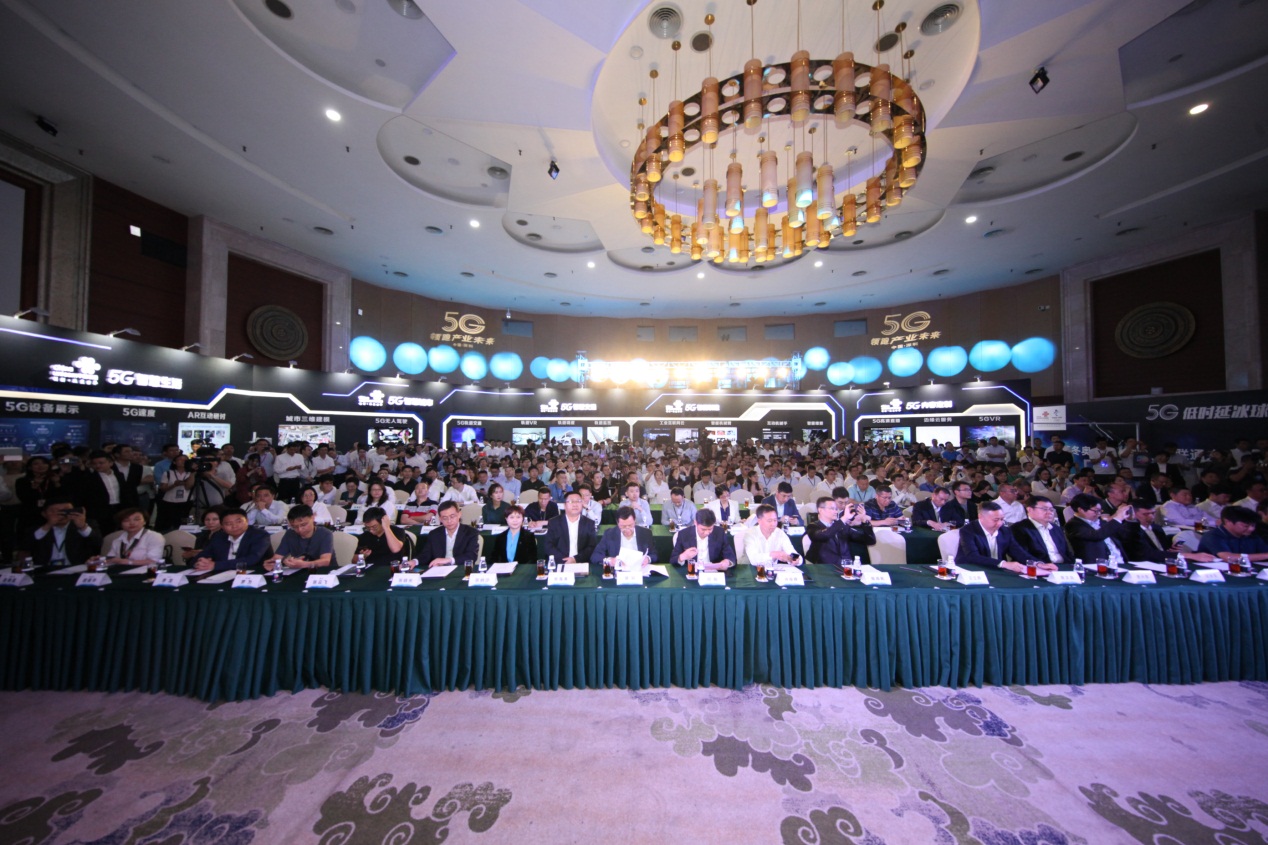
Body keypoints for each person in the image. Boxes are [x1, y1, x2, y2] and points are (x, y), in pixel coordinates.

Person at [956, 501, 1044, 573]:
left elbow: (1018, 552)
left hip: (997, 570)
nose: (1000, 523)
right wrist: (1004, 564)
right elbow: (972, 556)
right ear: (980, 517)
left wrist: (1037, 564)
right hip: (971, 569)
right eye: (995, 520)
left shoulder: (1005, 531)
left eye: (1002, 519)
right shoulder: (968, 531)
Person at [1122, 500, 1215, 564]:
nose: (1151, 517)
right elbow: (1146, 553)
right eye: (1145, 514)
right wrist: (1185, 555)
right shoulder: (1128, 531)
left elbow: (1162, 550)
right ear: (1132, 515)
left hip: (1163, 562)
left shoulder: (1157, 528)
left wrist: (1171, 550)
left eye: (1153, 513)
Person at [24, 497, 101, 567]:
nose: (62, 514)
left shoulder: (87, 524)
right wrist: (48, 525)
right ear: (44, 514)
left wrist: (82, 527)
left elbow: (97, 544)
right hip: (44, 569)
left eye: (66, 510)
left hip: (76, 568)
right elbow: (27, 546)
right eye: (55, 511)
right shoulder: (36, 529)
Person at [191, 509, 271, 572]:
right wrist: (200, 563)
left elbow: (252, 559)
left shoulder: (259, 535)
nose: (234, 526)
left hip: (252, 574)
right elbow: (203, 555)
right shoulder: (218, 536)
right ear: (222, 526)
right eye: (228, 524)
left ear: (247, 521)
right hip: (221, 575)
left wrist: (216, 565)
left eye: (239, 522)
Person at [806, 497, 874, 566]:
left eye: (836, 509)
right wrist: (844, 518)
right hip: (825, 568)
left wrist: (864, 521)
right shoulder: (813, 526)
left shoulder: (843, 526)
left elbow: (870, 541)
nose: (836, 512)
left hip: (847, 567)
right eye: (832, 508)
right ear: (820, 510)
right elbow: (825, 535)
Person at [265, 504, 336, 571]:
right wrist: (272, 563)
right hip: (299, 571)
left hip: (325, 572)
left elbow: (325, 561)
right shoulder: (290, 534)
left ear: (313, 518)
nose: (299, 529)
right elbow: (278, 557)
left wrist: (304, 564)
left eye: (303, 525)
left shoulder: (325, 533)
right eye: (295, 527)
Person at [1064, 493, 1131, 561]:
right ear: (1081, 510)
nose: (1099, 514)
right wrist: (1118, 518)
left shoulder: (1102, 522)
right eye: (1096, 511)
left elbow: (1124, 536)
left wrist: (1130, 520)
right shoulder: (1073, 525)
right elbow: (1096, 535)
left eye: (1100, 511)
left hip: (1121, 561)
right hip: (1097, 563)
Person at [1011, 497, 1074, 565]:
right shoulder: (1019, 529)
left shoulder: (1056, 528)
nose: (1049, 512)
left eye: (1051, 509)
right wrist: (1040, 565)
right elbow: (1022, 555)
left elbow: (1067, 553)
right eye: (1044, 509)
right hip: (1039, 567)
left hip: (1064, 566)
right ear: (1030, 510)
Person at [1197, 506, 1268, 563]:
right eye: (1246, 526)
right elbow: (1229, 557)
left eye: (1253, 525)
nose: (1251, 529)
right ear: (1227, 522)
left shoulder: (1252, 535)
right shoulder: (1213, 536)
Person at [669, 509, 735, 570]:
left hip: (714, 571)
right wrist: (683, 556)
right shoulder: (684, 534)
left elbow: (730, 555)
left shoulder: (719, 532)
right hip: (691, 571)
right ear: (695, 523)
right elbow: (673, 560)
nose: (707, 533)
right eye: (703, 529)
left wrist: (727, 562)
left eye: (710, 529)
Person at [544, 491, 598, 565]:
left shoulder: (589, 523)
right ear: (565, 505)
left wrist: (575, 559)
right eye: (571, 501)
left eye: (578, 501)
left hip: (581, 563)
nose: (575, 504)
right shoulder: (554, 522)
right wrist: (565, 560)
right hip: (560, 563)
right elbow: (548, 546)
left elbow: (592, 547)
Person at [421, 500, 480, 568]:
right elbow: (426, 555)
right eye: (445, 518)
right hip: (439, 569)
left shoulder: (471, 532)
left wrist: (449, 560)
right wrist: (415, 561)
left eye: (452, 516)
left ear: (459, 514)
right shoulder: (434, 534)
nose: (449, 521)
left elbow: (471, 556)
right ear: (440, 519)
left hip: (460, 569)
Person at [592, 506, 657, 565]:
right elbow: (595, 556)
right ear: (617, 523)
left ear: (635, 521)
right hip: (619, 570)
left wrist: (647, 559)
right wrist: (610, 561)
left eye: (630, 525)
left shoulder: (645, 533)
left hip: (640, 570)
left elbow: (654, 555)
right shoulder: (610, 534)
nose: (627, 529)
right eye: (623, 526)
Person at [744, 503, 799, 568]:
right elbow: (753, 559)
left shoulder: (780, 533)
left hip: (773, 570)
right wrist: (774, 555)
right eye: (769, 521)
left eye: (775, 520)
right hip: (752, 569)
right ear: (759, 521)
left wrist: (795, 559)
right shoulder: (750, 534)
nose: (773, 524)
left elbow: (791, 552)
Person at [155, 452, 196, 531]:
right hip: (169, 502)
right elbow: (163, 488)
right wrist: (174, 485)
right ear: (174, 462)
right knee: (167, 523)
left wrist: (193, 473)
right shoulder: (168, 473)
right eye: (180, 460)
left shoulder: (190, 473)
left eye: (185, 460)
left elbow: (188, 487)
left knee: (185, 522)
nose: (183, 461)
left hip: (186, 502)